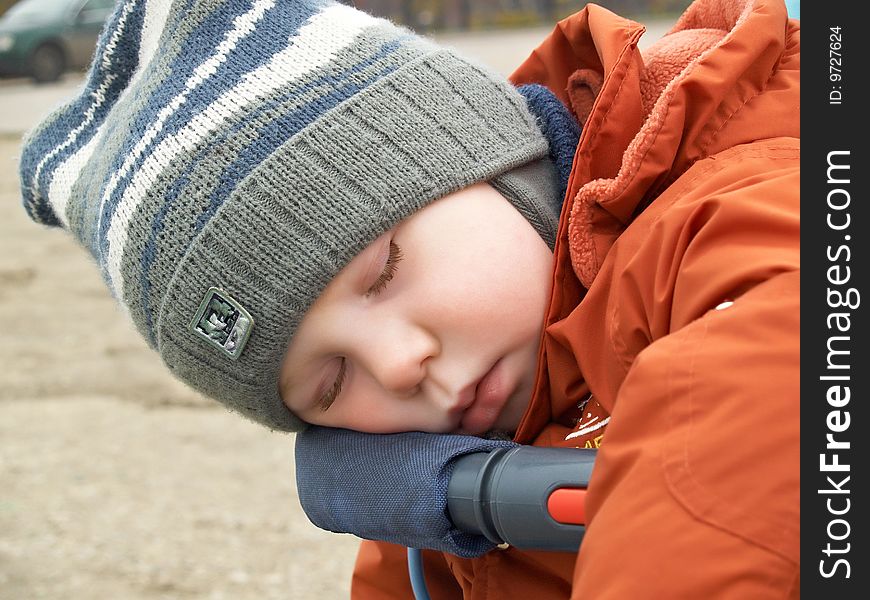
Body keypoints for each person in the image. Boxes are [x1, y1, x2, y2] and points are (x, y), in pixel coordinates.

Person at [19, 0, 799, 598]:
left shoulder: (728, 201)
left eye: (383, 271)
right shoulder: (441, 502)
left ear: (498, 160)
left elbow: (770, 368)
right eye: (329, 384)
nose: (398, 365)